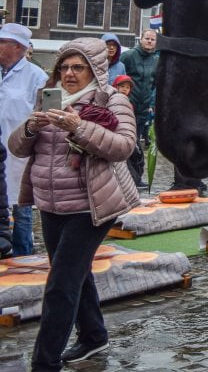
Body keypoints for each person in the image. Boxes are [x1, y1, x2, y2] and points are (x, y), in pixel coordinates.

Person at [7, 37, 140, 369]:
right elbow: (17, 148)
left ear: (94, 69)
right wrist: (29, 127)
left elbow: (123, 146)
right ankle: (94, 336)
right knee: (74, 272)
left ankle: (44, 363)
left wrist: (79, 127)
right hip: (51, 204)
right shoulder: (47, 98)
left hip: (92, 205)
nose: (69, 73)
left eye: (77, 67)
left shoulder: (111, 100)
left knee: (61, 285)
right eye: (64, 67)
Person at [0, 23, 48, 257]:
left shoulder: (37, 77)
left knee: (21, 207)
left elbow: (47, 116)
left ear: (17, 47)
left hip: (19, 153)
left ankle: (23, 256)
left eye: (2, 42)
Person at [120, 29, 158, 189]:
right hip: (127, 106)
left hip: (144, 109)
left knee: (136, 145)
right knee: (128, 143)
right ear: (140, 39)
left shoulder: (156, 60)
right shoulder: (128, 56)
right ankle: (127, 177)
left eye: (153, 39)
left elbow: (154, 83)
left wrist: (151, 103)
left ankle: (135, 177)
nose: (149, 41)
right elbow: (120, 77)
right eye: (147, 38)